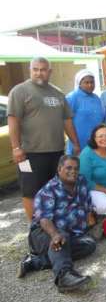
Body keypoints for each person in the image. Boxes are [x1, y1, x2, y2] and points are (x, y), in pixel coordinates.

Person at [8, 57, 81, 220]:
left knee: (55, 189)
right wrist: (16, 148)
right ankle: (35, 230)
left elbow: (67, 120)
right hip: (30, 153)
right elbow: (13, 120)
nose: (39, 73)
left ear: (50, 71)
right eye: (35, 69)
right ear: (30, 70)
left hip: (56, 152)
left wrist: (75, 143)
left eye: (43, 69)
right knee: (31, 190)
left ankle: (53, 225)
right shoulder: (20, 91)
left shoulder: (58, 93)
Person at [17, 155, 96, 293]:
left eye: (76, 168)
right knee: (61, 237)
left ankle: (34, 262)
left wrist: (90, 217)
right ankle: (64, 277)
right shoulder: (48, 191)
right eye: (69, 168)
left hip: (70, 233)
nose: (73, 171)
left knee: (89, 245)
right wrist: (54, 235)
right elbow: (44, 219)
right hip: (43, 232)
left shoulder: (81, 181)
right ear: (59, 169)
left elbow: (86, 204)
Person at [65, 69, 105, 154]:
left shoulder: (96, 98)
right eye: (86, 82)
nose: (90, 85)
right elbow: (67, 122)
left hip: (96, 144)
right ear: (79, 83)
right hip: (79, 145)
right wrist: (75, 144)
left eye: (92, 82)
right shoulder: (72, 97)